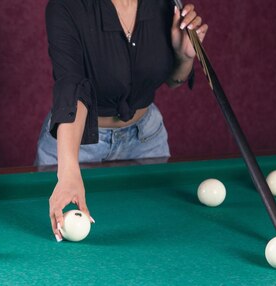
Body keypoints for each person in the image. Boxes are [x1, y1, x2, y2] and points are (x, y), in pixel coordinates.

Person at [36, 0, 208, 242]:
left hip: (147, 139)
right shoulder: (66, 6)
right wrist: (68, 170)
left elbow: (173, 80)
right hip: (76, 144)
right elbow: (72, 86)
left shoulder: (165, 4)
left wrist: (184, 56)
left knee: (157, 238)